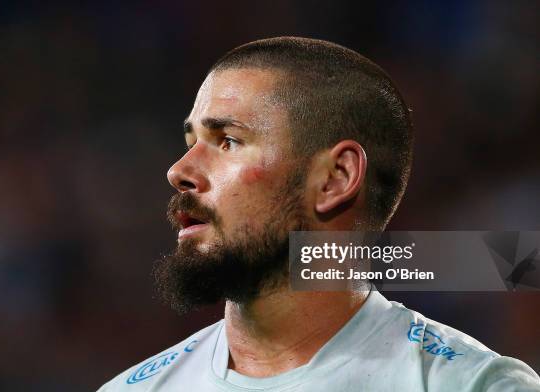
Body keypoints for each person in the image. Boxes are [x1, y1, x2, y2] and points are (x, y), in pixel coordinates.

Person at [98, 37, 540, 391]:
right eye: (191, 141)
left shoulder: (472, 384)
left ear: (334, 178)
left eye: (228, 140)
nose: (179, 171)